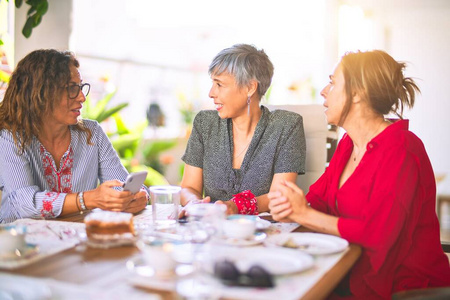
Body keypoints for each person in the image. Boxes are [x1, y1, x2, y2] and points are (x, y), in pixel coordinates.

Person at [268, 50, 450, 299]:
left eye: (332, 82)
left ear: (358, 93)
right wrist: (288, 206)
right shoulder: (347, 144)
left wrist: (303, 213)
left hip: (403, 289)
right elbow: (318, 199)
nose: (323, 90)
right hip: (351, 276)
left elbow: (378, 234)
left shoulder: (403, 150)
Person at [0, 49, 148, 223]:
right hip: (20, 244)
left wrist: (137, 197)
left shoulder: (92, 133)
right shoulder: (10, 137)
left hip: (77, 238)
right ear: (41, 93)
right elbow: (25, 204)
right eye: (72, 88)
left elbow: (121, 184)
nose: (82, 98)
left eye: (81, 88)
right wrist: (88, 199)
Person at [180, 44, 306, 215]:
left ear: (250, 88)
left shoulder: (287, 126)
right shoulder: (204, 123)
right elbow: (189, 187)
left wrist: (236, 207)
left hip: (262, 235)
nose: (211, 93)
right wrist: (194, 203)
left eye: (219, 84)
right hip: (211, 231)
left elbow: (279, 195)